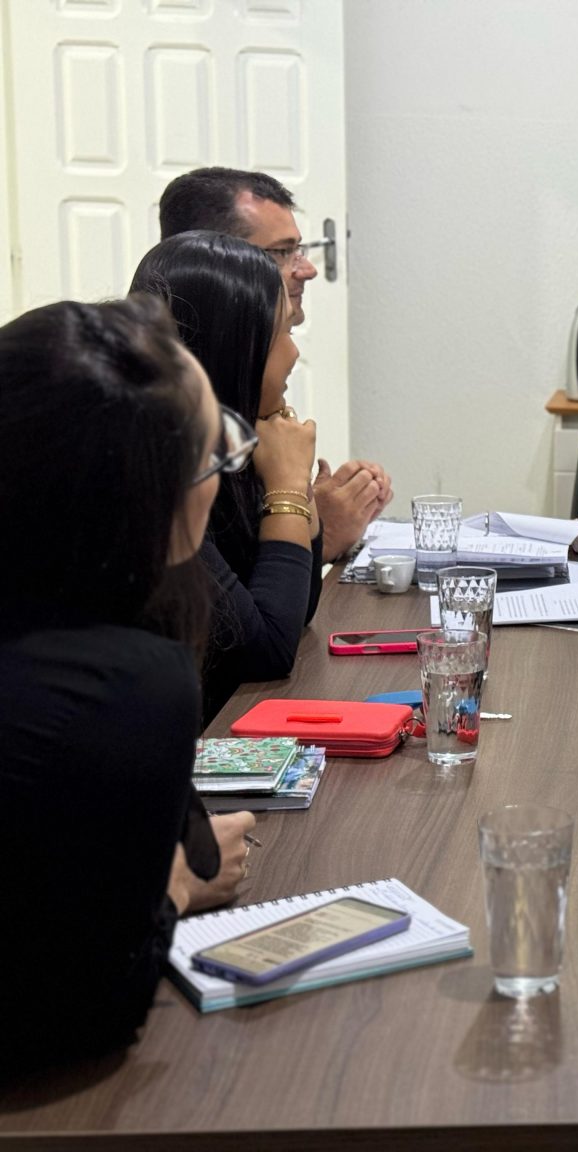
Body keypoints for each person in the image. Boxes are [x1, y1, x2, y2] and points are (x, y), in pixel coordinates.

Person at [0, 297, 255, 1074]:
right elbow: (94, 1010)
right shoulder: (128, 684)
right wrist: (173, 887)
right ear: (155, 501)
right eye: (216, 455)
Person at [131, 231, 324, 725]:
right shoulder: (153, 477)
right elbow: (266, 649)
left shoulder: (232, 452)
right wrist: (287, 489)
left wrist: (295, 486)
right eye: (280, 334)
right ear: (231, 350)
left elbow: (295, 608)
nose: (293, 354)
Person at [159, 166, 391, 560]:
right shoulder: (168, 442)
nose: (308, 268)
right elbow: (242, 600)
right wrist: (290, 506)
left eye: (300, 248)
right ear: (218, 259)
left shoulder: (239, 389)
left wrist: (306, 518)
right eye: (283, 252)